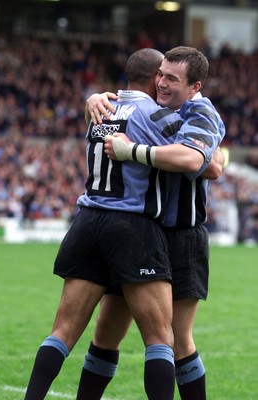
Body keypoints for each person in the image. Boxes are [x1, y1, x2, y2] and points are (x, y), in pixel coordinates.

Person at [24, 48, 183, 400]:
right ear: (156, 76)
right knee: (160, 339)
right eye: (164, 75)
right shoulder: (155, 114)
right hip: (132, 227)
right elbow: (193, 152)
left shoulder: (100, 107)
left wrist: (92, 96)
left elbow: (102, 114)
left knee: (62, 332)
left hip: (87, 222)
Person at [76, 46, 225, 400]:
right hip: (145, 235)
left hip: (183, 236)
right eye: (160, 75)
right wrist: (93, 98)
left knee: (176, 339)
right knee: (106, 331)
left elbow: (211, 165)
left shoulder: (200, 111)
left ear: (194, 86)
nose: (161, 83)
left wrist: (134, 151)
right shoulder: (159, 110)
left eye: (171, 78)